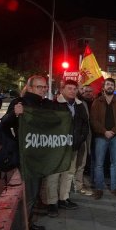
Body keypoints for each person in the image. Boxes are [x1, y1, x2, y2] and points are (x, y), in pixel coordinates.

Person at [1, 75, 53, 230]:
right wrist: (14, 115)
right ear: (30, 88)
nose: (43, 90)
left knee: (36, 192)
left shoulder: (44, 104)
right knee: (29, 194)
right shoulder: (20, 102)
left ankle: (28, 224)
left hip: (40, 155)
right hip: (26, 156)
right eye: (39, 87)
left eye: (45, 87)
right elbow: (3, 124)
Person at [42, 79, 89, 217]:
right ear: (62, 90)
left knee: (69, 173)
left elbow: (85, 125)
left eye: (75, 89)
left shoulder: (80, 106)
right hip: (56, 148)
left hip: (73, 147)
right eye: (69, 88)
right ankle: (52, 203)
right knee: (53, 175)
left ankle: (64, 198)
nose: (72, 91)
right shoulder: (53, 105)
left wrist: (80, 140)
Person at [90, 78, 116, 199]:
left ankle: (115, 187)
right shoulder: (97, 102)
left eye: (112, 84)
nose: (110, 86)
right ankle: (99, 189)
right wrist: (104, 131)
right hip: (101, 137)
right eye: (108, 84)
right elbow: (93, 120)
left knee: (115, 164)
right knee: (99, 164)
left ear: (114, 87)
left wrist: (113, 131)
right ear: (104, 87)